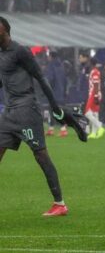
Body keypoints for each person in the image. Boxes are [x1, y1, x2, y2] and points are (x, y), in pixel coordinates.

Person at [0, 16, 78, 216]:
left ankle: (60, 204)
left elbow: (40, 77)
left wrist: (55, 107)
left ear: (5, 31)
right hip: (9, 112)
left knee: (41, 155)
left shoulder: (20, 51)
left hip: (27, 110)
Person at [45, 50, 68, 137]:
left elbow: (50, 79)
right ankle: (51, 129)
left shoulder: (51, 66)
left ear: (51, 56)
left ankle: (62, 129)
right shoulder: (61, 66)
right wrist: (65, 91)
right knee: (58, 111)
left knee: (53, 111)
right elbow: (65, 80)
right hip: (61, 93)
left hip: (53, 92)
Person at [85, 58, 105, 139]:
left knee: (87, 113)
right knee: (94, 113)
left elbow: (96, 84)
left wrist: (95, 96)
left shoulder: (95, 72)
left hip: (94, 93)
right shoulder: (95, 71)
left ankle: (100, 126)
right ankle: (94, 133)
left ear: (90, 63)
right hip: (95, 93)